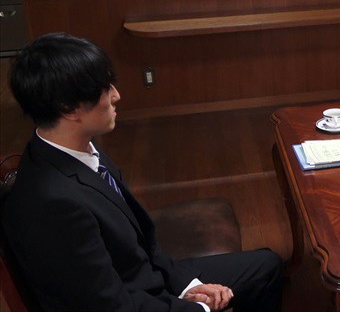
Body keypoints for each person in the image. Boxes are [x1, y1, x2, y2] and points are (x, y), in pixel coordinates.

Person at [2, 33, 283, 312]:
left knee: (266, 267)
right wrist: (200, 309)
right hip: (134, 299)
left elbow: (143, 241)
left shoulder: (76, 148)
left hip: (147, 277)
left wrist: (187, 286)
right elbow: (109, 306)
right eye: (105, 88)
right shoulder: (51, 204)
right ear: (69, 107)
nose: (116, 95)